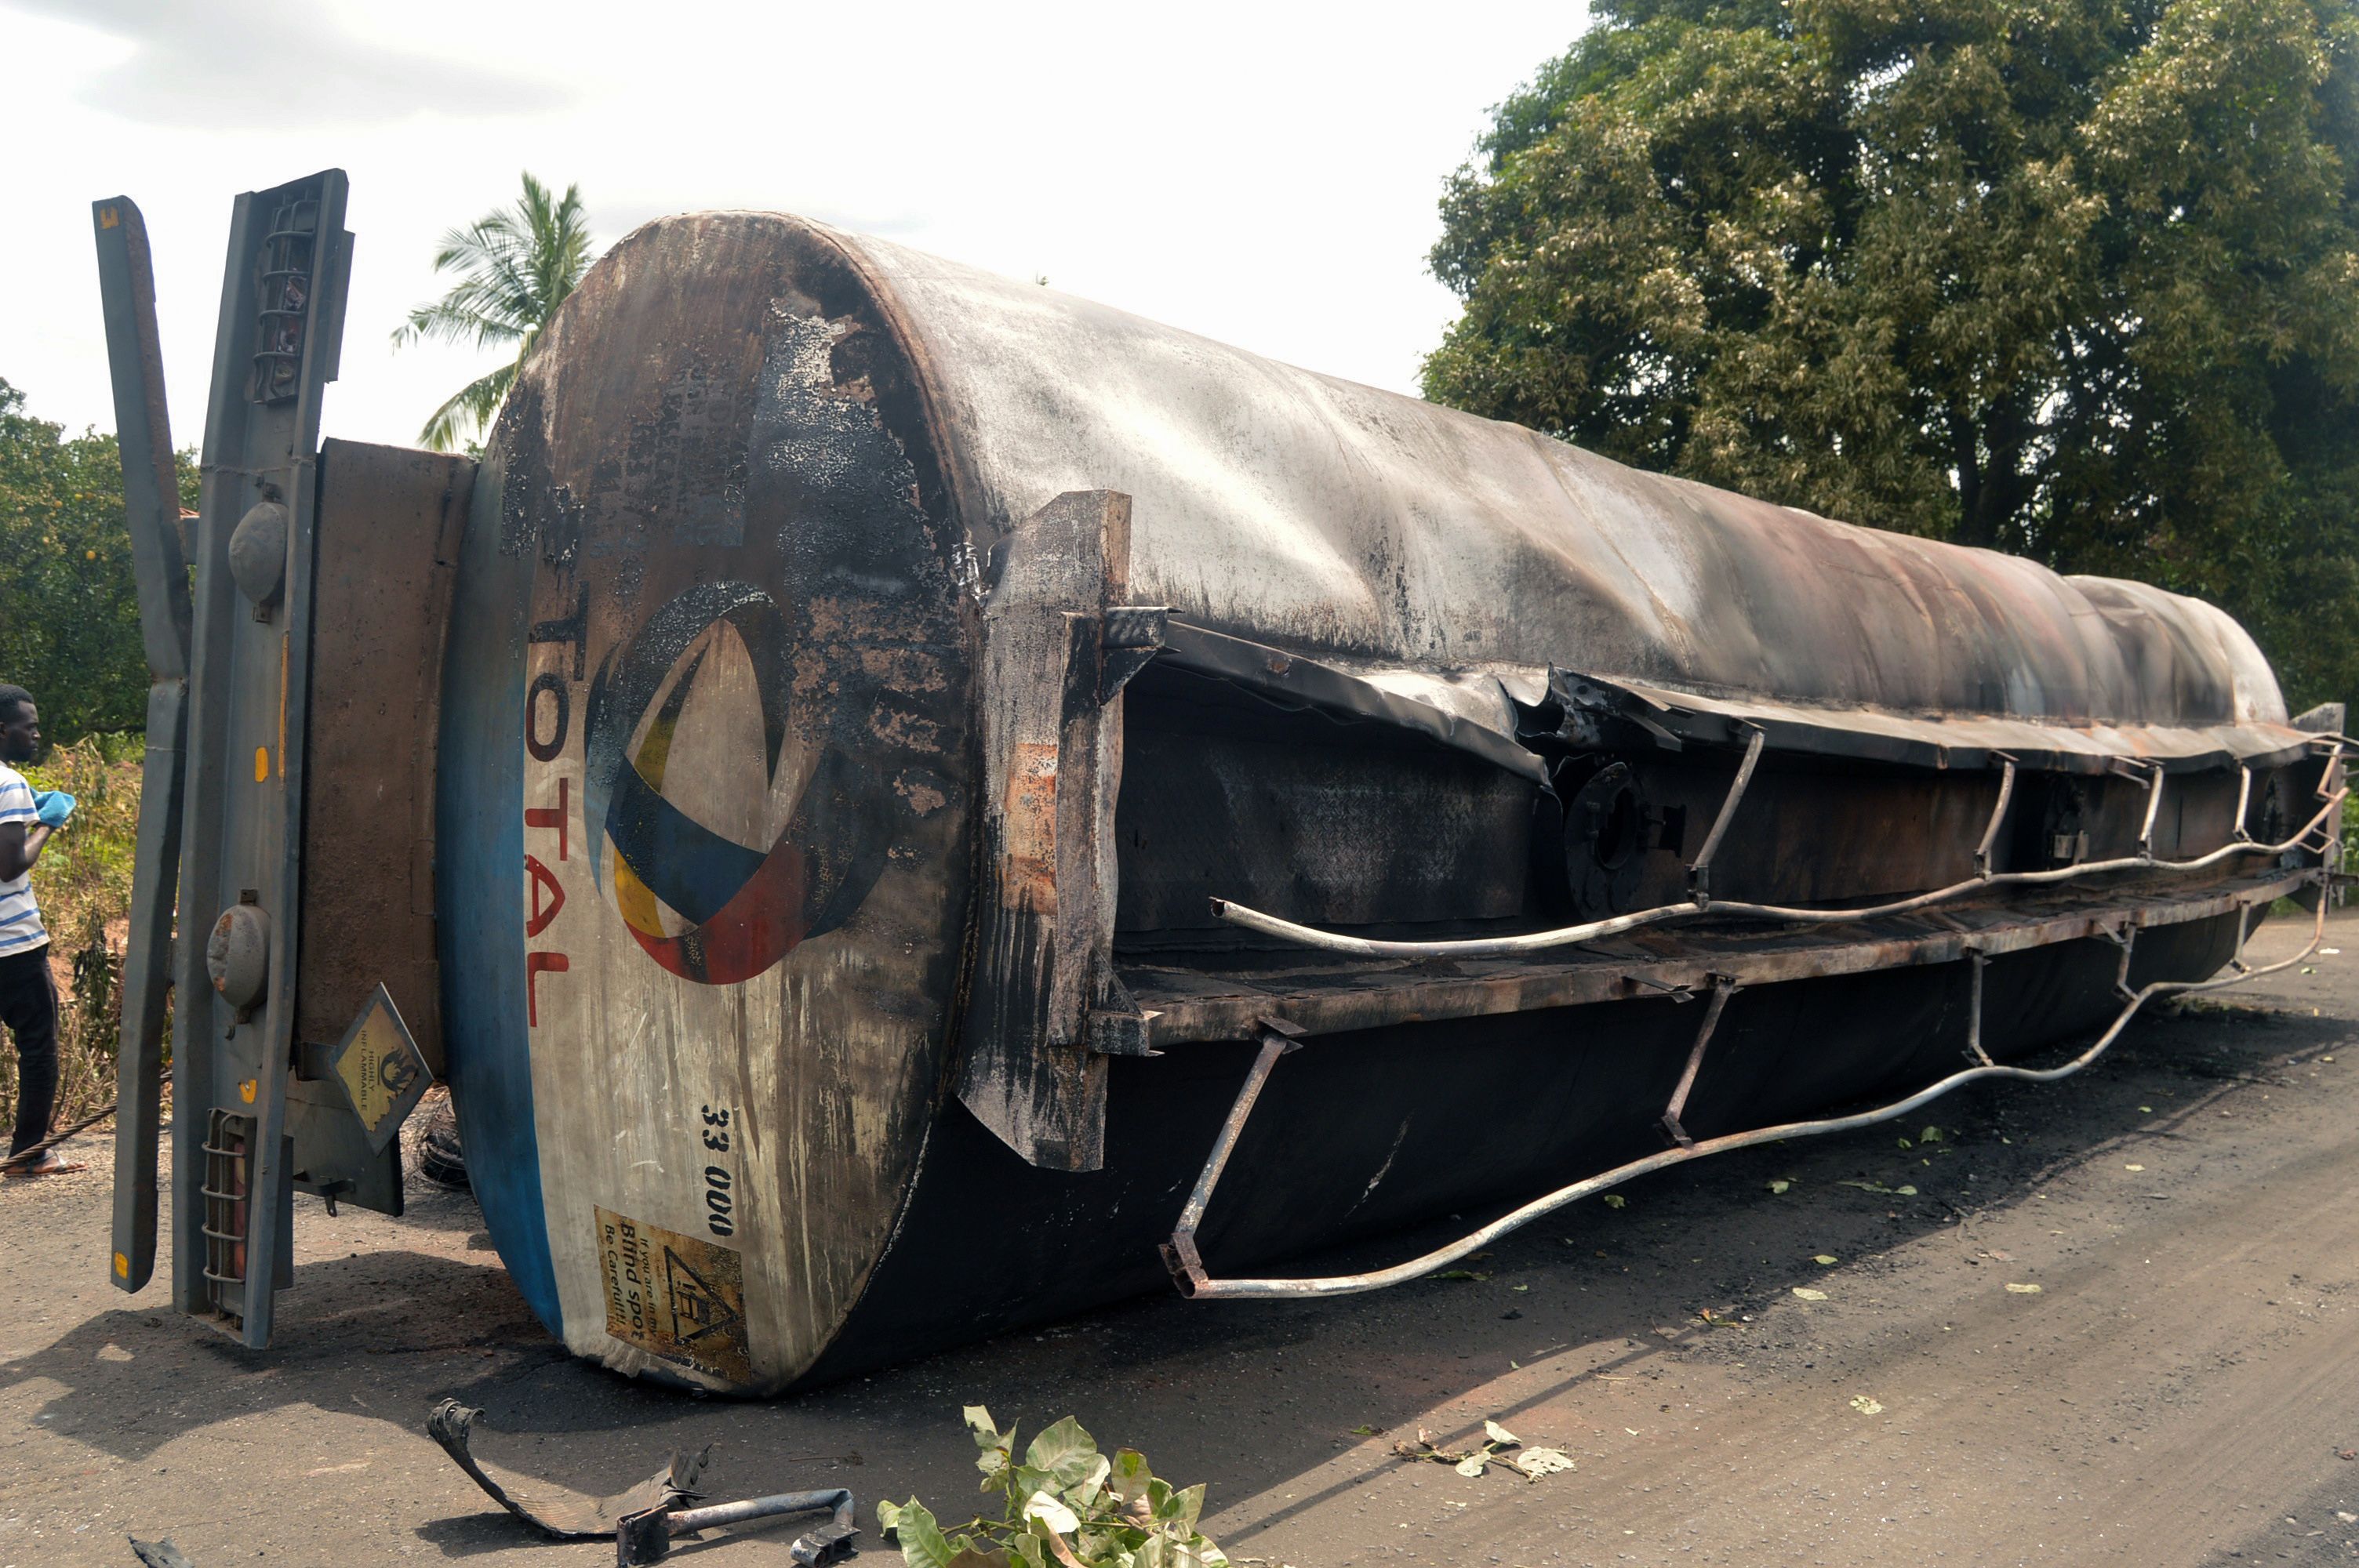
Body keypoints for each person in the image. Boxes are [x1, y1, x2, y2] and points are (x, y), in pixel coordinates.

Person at [0, 684, 79, 1178]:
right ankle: (30, 1154)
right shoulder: (7, 783)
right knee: (38, 1048)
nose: (36, 734)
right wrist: (47, 824)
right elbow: (10, 866)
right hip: (12, 946)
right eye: (28, 726)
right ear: (1, 730)